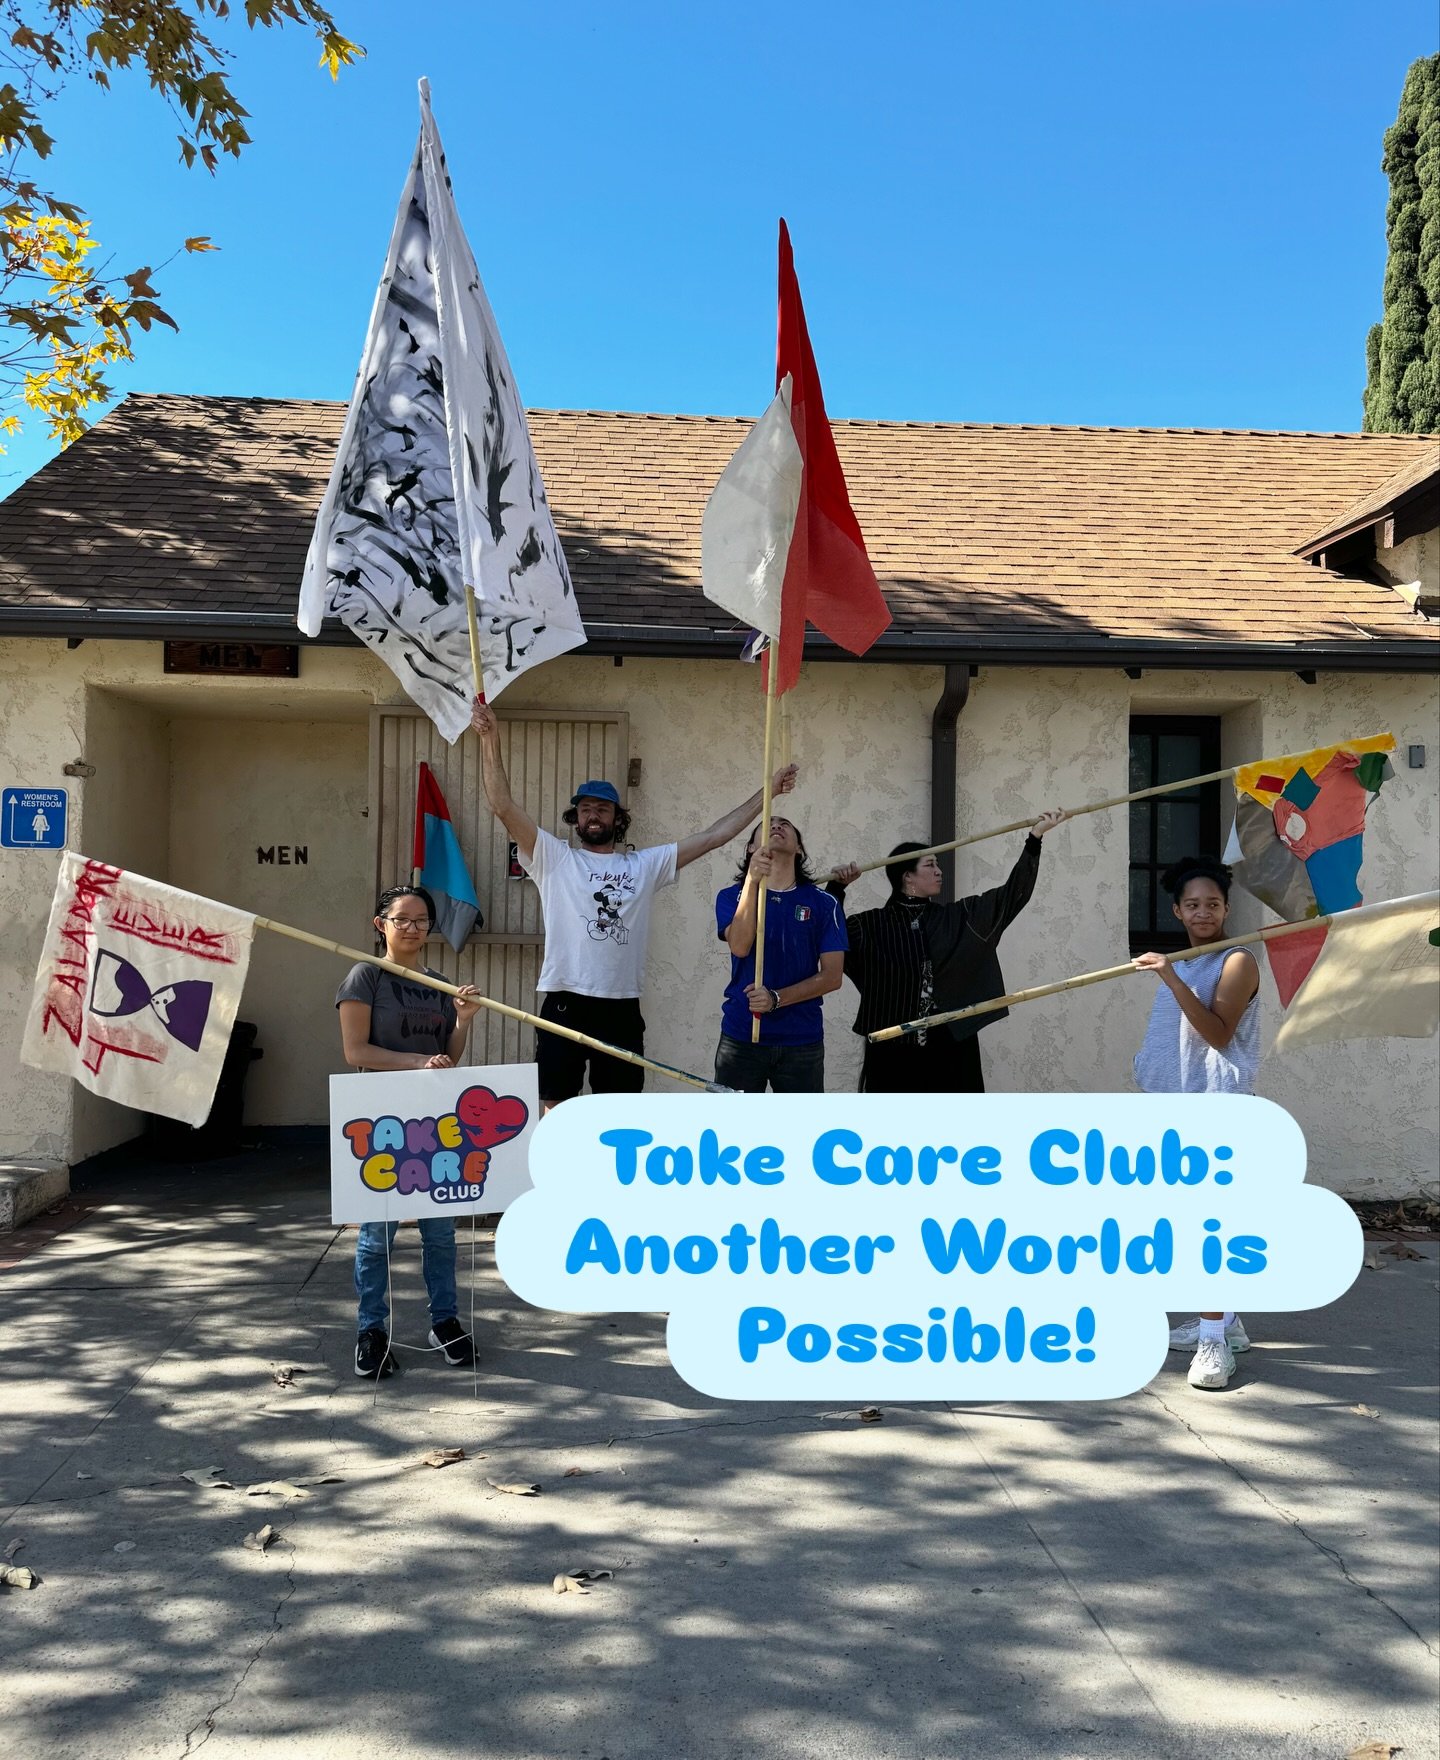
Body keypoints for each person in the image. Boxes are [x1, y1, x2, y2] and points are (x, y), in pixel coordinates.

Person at [471, 697, 797, 1105]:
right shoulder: (554, 858)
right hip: (564, 998)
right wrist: (489, 738)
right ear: (576, 818)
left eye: (602, 809)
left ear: (616, 818)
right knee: (555, 1102)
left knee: (619, 1109)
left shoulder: (645, 865)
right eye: (586, 808)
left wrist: (769, 792)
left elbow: (715, 835)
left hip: (621, 1004)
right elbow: (502, 806)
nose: (594, 815)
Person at [337, 884, 482, 1379]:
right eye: (403, 919)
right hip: (380, 1120)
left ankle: (444, 1323)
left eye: (422, 920)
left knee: (441, 1234)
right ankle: (371, 1330)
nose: (413, 928)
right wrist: (417, 1061)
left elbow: (449, 1058)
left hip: (435, 1122)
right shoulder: (365, 976)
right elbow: (356, 1052)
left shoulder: (441, 984)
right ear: (382, 924)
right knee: (377, 1236)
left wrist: (461, 1021)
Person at [1133, 854, 1261, 1392]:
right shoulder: (1184, 962)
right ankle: (1225, 1323)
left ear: (1226, 907)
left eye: (1212, 903)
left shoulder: (1236, 961)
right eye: (1193, 905)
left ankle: (1213, 1343)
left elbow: (1217, 1034)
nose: (1203, 912)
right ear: (1177, 911)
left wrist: (1168, 975)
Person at [826, 812, 1065, 1092]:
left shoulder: (958, 917)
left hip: (951, 1046)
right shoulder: (868, 925)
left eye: (938, 864)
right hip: (893, 1051)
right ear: (908, 877)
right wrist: (836, 889)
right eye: (930, 865)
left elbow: (1011, 896)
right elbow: (827, 937)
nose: (939, 871)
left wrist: (1034, 839)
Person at [714, 815, 849, 1092]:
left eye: (784, 824)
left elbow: (833, 977)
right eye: (766, 824)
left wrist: (776, 999)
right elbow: (740, 946)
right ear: (751, 849)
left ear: (799, 848)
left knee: (802, 1131)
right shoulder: (731, 897)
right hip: (742, 1037)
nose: (775, 826)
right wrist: (752, 881)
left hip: (801, 1040)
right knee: (733, 1131)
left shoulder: (824, 903)